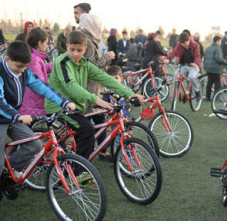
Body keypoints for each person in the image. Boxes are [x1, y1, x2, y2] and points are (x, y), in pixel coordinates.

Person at [0, 41, 76, 221]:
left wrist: (63, 102)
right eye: (18, 66)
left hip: (11, 116)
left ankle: (11, 171)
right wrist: (18, 116)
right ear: (7, 58)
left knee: (34, 144)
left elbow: (42, 86)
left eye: (25, 67)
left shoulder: (24, 71)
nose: (21, 70)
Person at [45, 31, 142, 161]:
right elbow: (71, 86)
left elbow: (105, 78)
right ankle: (79, 171)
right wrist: (95, 99)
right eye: (72, 49)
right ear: (67, 46)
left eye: (79, 50)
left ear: (85, 49)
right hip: (59, 107)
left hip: (74, 107)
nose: (75, 54)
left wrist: (129, 94)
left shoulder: (85, 63)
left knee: (85, 136)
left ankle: (77, 164)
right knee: (88, 130)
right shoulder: (62, 62)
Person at [78, 14, 117, 161]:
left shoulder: (88, 38)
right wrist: (107, 57)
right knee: (91, 123)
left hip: (94, 87)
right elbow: (92, 65)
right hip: (90, 88)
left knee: (99, 119)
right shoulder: (86, 40)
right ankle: (85, 158)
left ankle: (101, 151)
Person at [19, 28, 54, 116]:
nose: (47, 46)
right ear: (39, 43)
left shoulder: (35, 57)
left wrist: (55, 65)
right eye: (46, 43)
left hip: (33, 102)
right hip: (33, 104)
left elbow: (42, 69)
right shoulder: (34, 59)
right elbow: (39, 82)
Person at [168, 32, 203, 100]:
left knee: (191, 77)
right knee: (176, 76)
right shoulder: (179, 44)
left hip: (193, 66)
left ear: (188, 40)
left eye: (185, 43)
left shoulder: (195, 45)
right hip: (184, 65)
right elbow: (174, 52)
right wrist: (168, 59)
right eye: (182, 44)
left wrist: (195, 63)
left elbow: (197, 55)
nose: (184, 45)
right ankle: (177, 94)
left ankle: (197, 91)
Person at [204, 36, 227, 101]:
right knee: (217, 84)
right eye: (220, 41)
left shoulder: (208, 48)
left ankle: (207, 97)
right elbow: (218, 59)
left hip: (208, 68)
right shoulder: (218, 48)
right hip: (216, 69)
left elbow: (205, 58)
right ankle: (217, 97)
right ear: (217, 41)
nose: (221, 43)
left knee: (209, 83)